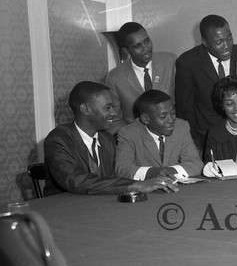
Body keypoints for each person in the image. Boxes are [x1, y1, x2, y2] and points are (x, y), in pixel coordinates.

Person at [44, 81, 178, 195]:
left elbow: (117, 174)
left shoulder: (106, 138)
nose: (114, 114)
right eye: (107, 108)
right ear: (85, 109)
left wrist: (154, 175)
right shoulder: (58, 139)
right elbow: (76, 181)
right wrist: (135, 186)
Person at [175, 15, 237, 152]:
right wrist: (193, 142)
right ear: (204, 42)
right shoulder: (187, 62)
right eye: (219, 42)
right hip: (206, 138)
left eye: (229, 38)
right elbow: (185, 109)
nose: (226, 46)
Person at [104, 22, 176, 134]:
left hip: (172, 136)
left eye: (147, 41)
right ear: (126, 51)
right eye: (138, 46)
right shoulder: (114, 78)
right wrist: (136, 138)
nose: (146, 48)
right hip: (136, 141)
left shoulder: (170, 62)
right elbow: (114, 120)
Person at [115, 90, 202, 180]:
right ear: (145, 119)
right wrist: (155, 172)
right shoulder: (128, 133)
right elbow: (122, 170)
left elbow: (195, 164)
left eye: (172, 113)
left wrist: (170, 171)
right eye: (163, 116)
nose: (171, 120)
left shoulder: (181, 127)